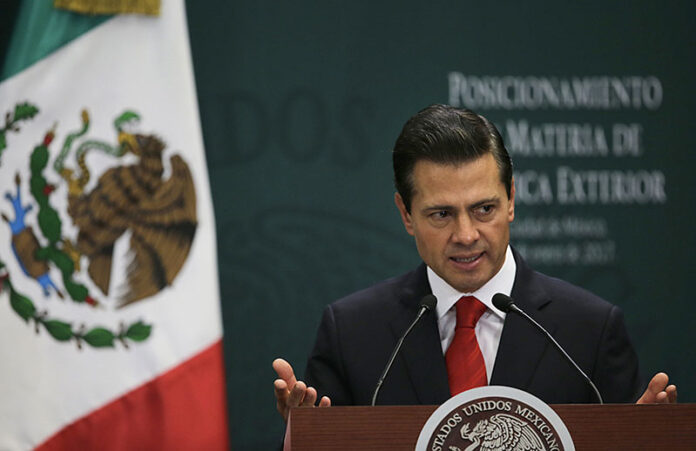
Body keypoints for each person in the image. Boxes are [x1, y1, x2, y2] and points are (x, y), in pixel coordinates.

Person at [273, 104, 677, 422]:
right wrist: (306, 438)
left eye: (484, 209)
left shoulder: (589, 331)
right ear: (406, 214)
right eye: (441, 214)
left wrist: (643, 439)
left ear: (512, 200)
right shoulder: (352, 332)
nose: (466, 234)